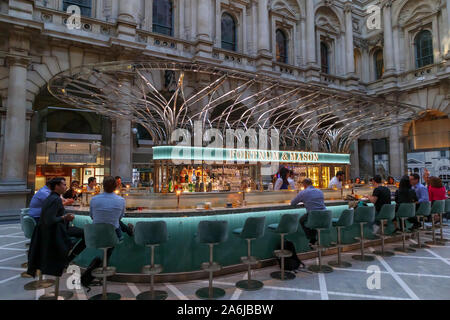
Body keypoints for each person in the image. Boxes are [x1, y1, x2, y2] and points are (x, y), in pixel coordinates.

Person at [81, 176, 134, 289]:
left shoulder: (94, 199)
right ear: (116, 187)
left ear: (102, 186)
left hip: (94, 235)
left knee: (113, 224)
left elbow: (92, 216)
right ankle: (130, 231)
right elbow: (120, 217)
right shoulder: (121, 200)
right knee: (115, 225)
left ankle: (98, 271)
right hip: (112, 236)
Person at [27, 178, 86, 278]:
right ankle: (68, 258)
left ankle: (67, 256)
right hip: (55, 232)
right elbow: (50, 219)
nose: (65, 186)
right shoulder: (55, 199)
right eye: (63, 184)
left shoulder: (52, 197)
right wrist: (65, 217)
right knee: (86, 234)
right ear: (56, 186)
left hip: (51, 230)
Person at [291, 178, 327, 246]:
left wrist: (304, 201)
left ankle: (312, 238)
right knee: (314, 220)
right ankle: (313, 240)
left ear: (304, 184)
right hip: (325, 216)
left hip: (313, 215)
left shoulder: (303, 192)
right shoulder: (319, 191)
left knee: (302, 220)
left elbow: (293, 203)